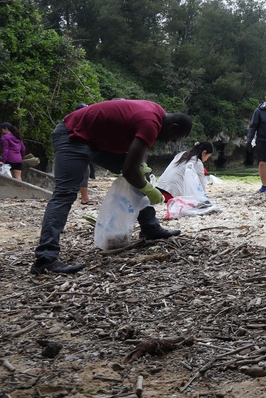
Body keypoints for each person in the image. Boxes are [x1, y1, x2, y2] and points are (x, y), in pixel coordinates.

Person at [32, 99, 193, 275]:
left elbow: (139, 152)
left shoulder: (156, 113)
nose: (169, 142)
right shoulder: (151, 123)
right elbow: (129, 171)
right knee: (65, 194)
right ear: (173, 127)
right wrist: (149, 190)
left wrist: (142, 174)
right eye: (173, 139)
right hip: (72, 136)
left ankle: (150, 228)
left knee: (142, 172)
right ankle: (45, 260)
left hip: (96, 140)